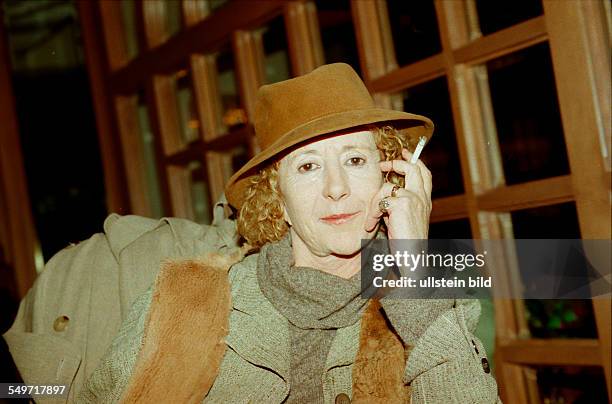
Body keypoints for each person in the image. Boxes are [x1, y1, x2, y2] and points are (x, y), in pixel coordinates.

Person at [5, 63, 500, 403]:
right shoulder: (186, 295)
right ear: (276, 196)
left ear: (390, 174)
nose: (335, 189)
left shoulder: (437, 299)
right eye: (307, 166)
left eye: (354, 159)